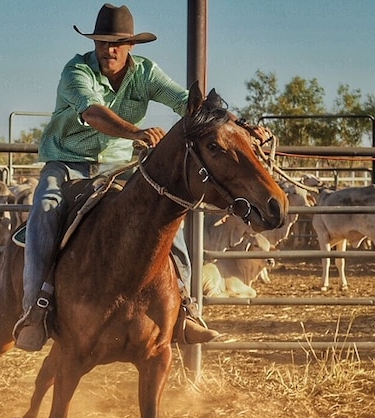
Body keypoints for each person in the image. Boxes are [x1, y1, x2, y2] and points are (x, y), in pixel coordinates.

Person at [14, 3, 268, 352]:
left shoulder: (145, 73)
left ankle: (186, 308)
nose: (109, 49)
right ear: (95, 44)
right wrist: (135, 133)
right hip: (67, 165)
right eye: (103, 42)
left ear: (131, 46)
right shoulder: (77, 72)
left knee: (163, 213)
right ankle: (35, 310)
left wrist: (240, 126)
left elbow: (187, 103)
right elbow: (92, 112)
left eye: (117, 43)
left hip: (116, 170)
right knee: (45, 208)